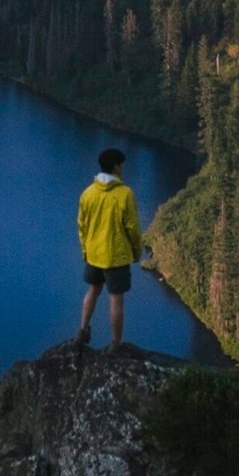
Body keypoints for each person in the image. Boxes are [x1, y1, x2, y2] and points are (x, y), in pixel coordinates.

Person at [75, 147, 143, 351]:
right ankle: (116, 344)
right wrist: (136, 252)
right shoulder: (125, 194)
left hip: (94, 254)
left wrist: (85, 250)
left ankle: (82, 330)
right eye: (121, 164)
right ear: (115, 167)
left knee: (92, 291)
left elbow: (81, 225)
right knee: (116, 301)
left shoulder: (88, 193)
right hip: (116, 256)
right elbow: (132, 227)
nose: (123, 168)